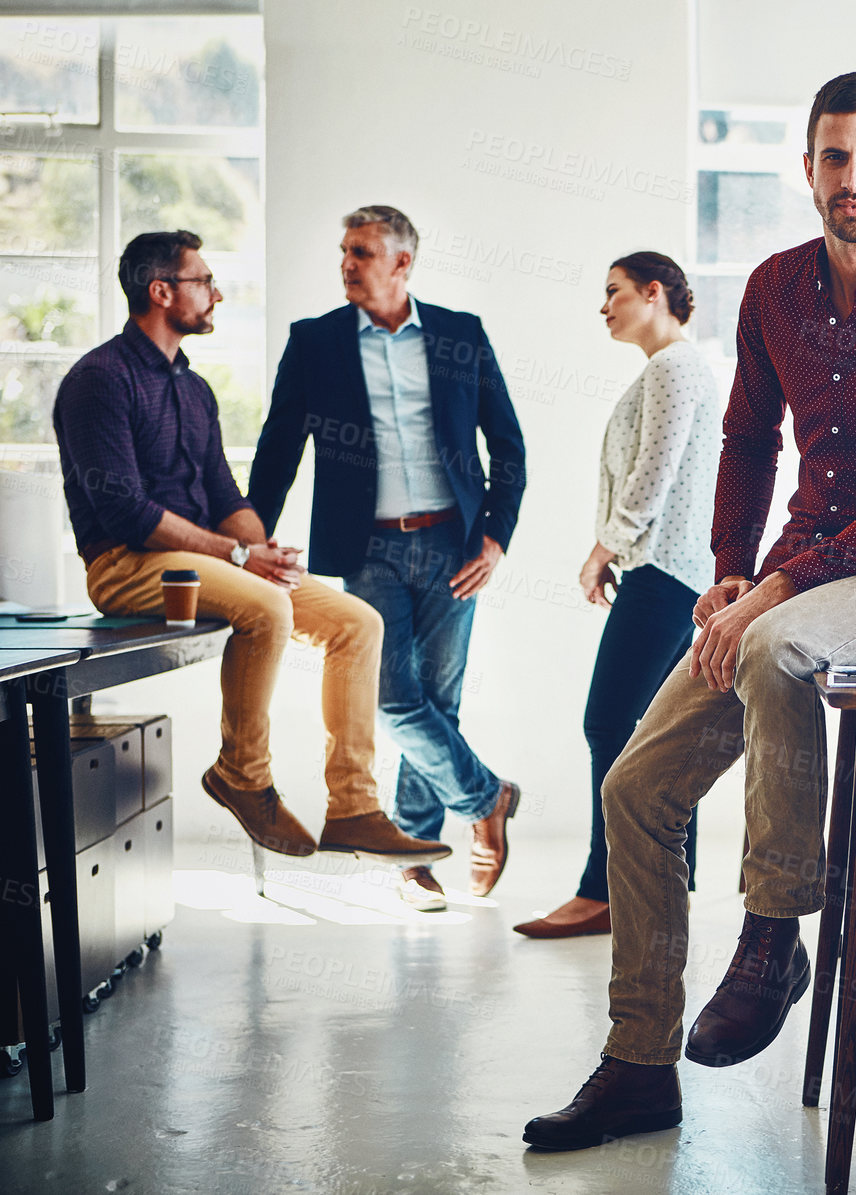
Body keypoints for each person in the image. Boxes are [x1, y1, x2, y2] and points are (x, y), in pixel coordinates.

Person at [522, 71, 856, 1151]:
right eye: (834, 157)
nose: (853, 178)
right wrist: (735, 568)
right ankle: (640, 1065)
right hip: (792, 578)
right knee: (637, 787)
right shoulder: (776, 289)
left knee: (780, 645)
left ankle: (772, 930)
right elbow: (748, 440)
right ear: (808, 169)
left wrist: (777, 593)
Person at [54, 230, 448, 864]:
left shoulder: (193, 389)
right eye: (203, 282)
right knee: (266, 609)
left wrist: (263, 549)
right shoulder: (99, 379)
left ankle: (353, 808)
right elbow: (125, 511)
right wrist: (239, 560)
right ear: (162, 291)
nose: (216, 294)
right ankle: (243, 774)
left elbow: (224, 495)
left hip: (203, 562)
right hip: (125, 565)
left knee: (357, 623)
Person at [248, 206, 527, 912]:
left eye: (362, 252)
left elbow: (510, 447)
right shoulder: (315, 342)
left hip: (452, 545)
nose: (347, 263)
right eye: (344, 250)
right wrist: (250, 541)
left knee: (437, 700)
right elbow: (277, 451)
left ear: (402, 263)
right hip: (366, 548)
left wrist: (495, 538)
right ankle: (486, 797)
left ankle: (415, 854)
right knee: (391, 696)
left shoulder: (461, 334)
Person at [513, 252, 719, 940]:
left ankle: (603, 889)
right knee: (659, 731)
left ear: (653, 292)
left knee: (610, 723)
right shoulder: (671, 368)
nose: (603, 307)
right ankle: (668, 880)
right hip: (666, 568)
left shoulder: (673, 367)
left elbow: (652, 471)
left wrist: (606, 545)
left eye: (613, 292)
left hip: (664, 569)